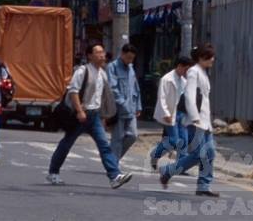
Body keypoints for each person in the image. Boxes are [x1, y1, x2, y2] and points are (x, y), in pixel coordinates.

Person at [46, 43, 132, 189]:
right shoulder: (82, 71)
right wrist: (79, 111)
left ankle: (114, 176)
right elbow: (73, 92)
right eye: (98, 52)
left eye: (103, 52)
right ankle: (53, 172)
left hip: (95, 116)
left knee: (104, 145)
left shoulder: (102, 73)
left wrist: (104, 117)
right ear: (90, 56)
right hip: (80, 116)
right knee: (67, 143)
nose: (102, 55)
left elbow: (101, 97)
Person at [160, 44, 218, 197]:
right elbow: (190, 97)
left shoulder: (203, 72)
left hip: (205, 121)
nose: (212, 59)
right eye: (209, 56)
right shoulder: (193, 72)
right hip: (196, 121)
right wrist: (195, 118)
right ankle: (171, 172)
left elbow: (204, 100)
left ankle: (203, 185)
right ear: (201, 57)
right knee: (202, 153)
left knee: (208, 152)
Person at [150, 56, 193, 170]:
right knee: (174, 140)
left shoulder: (183, 81)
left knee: (184, 139)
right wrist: (166, 113)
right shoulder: (167, 79)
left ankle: (181, 166)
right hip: (170, 113)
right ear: (179, 66)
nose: (187, 72)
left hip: (181, 113)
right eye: (186, 69)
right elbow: (162, 98)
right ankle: (155, 154)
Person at [107, 43, 142, 158]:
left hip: (131, 110)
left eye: (132, 58)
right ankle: (113, 164)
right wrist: (123, 103)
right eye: (128, 58)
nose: (130, 60)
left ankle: (112, 159)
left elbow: (135, 88)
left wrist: (138, 106)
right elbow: (113, 89)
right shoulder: (112, 67)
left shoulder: (131, 68)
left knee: (133, 135)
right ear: (122, 54)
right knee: (117, 138)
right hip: (118, 110)